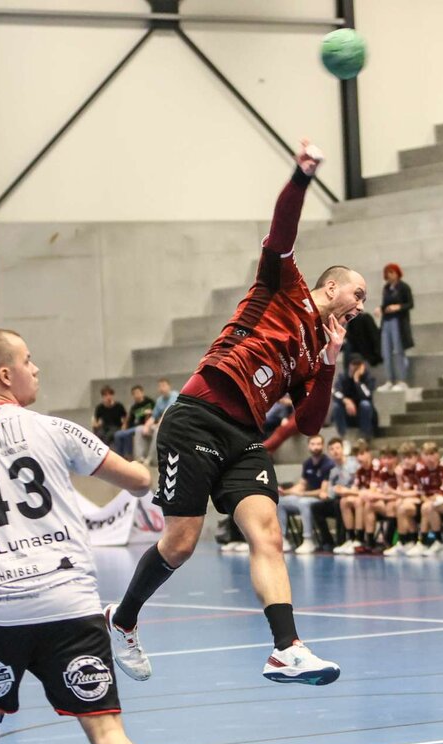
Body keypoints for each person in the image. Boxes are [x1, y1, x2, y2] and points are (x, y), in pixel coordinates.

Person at [106, 139, 365, 687]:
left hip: (245, 436)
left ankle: (286, 649)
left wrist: (330, 363)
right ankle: (123, 619)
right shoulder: (284, 286)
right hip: (197, 418)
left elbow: (310, 423)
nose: (361, 307)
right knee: (181, 543)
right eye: (357, 294)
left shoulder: (319, 353)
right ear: (331, 286)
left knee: (267, 533)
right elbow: (282, 230)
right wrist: (301, 177)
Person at [0, 329, 153, 744]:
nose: (35, 369)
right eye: (27, 360)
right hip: (69, 607)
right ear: (5, 375)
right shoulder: (54, 429)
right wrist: (147, 465)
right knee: (108, 733)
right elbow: (138, 482)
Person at [278, 435, 336, 554]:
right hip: (306, 496)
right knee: (281, 502)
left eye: (318, 444)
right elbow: (302, 485)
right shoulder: (307, 463)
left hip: (319, 499)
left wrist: (303, 494)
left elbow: (323, 491)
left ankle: (308, 539)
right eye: (313, 444)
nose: (316, 447)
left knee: (303, 503)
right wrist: (285, 492)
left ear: (323, 446)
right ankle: (283, 538)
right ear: (308, 446)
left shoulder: (328, 464)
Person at [376, 262, 413, 392]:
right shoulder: (386, 288)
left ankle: (402, 380)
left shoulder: (403, 287)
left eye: (392, 272)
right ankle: (389, 380)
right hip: (386, 321)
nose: (390, 275)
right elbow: (385, 304)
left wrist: (398, 307)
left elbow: (410, 304)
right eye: (388, 273)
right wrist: (380, 309)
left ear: (397, 273)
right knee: (386, 352)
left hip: (398, 321)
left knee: (398, 351)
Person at [320, 437, 360, 554]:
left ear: (343, 449)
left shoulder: (354, 463)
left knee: (339, 503)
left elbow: (360, 482)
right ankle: (327, 541)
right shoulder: (332, 470)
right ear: (329, 452)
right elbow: (331, 490)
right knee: (317, 507)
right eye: (332, 449)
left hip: (355, 495)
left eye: (337, 448)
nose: (335, 451)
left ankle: (343, 540)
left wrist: (346, 491)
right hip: (339, 497)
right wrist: (331, 491)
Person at [330, 354, 376, 439]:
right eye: (354, 364)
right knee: (336, 406)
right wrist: (346, 400)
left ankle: (364, 436)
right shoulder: (343, 377)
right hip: (347, 411)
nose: (356, 367)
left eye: (359, 364)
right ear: (349, 365)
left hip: (363, 411)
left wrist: (357, 381)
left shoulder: (368, 377)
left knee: (365, 404)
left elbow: (367, 395)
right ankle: (343, 436)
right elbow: (335, 392)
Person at [139, 377, 178, 464]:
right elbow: (153, 417)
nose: (161, 388)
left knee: (158, 430)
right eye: (159, 386)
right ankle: (140, 457)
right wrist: (146, 427)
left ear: (169, 386)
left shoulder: (174, 395)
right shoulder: (159, 400)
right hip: (161, 424)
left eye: (163, 386)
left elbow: (167, 413)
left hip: (173, 425)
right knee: (139, 429)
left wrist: (158, 425)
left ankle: (150, 459)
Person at [113, 385, 155, 460]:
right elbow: (130, 421)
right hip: (134, 427)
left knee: (125, 434)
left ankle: (128, 456)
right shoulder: (134, 407)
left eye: (138, 393)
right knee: (118, 434)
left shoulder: (150, 402)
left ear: (142, 393)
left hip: (145, 426)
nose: (137, 395)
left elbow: (155, 414)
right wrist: (125, 426)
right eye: (134, 394)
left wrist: (150, 412)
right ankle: (120, 457)